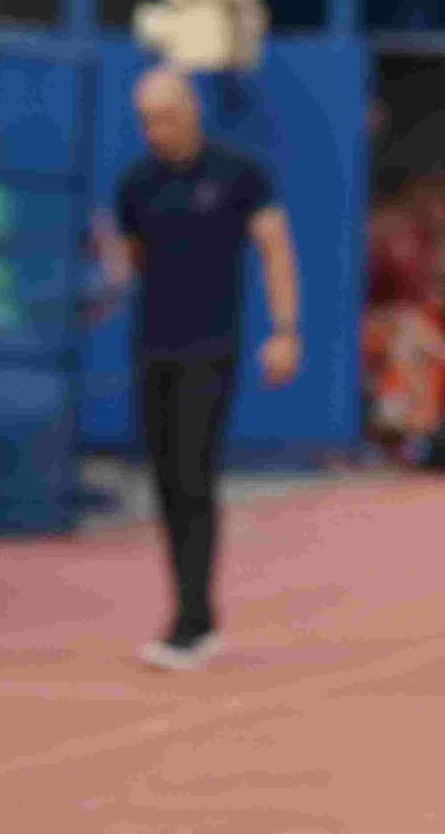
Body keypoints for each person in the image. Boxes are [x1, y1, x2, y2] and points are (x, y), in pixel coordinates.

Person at [111, 67, 303, 671]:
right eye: (144, 120)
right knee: (167, 482)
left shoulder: (239, 174)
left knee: (195, 473)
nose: (153, 131)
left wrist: (285, 329)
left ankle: (191, 620)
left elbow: (275, 248)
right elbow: (132, 259)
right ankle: (194, 613)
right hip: (153, 348)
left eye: (162, 117)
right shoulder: (136, 183)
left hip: (212, 347)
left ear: (190, 110)